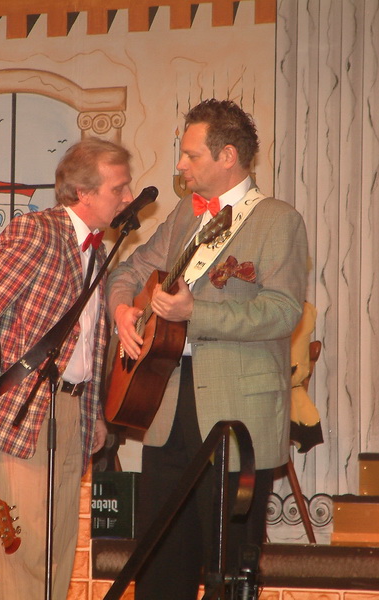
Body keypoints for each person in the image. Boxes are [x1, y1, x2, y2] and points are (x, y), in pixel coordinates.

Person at [106, 99, 308, 599]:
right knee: (160, 566)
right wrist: (122, 309)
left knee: (228, 568)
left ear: (228, 156)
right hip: (168, 406)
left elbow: (283, 312)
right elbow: (129, 270)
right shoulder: (184, 214)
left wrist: (195, 313)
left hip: (238, 415)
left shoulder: (279, 220)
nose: (180, 165)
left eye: (191, 155)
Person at [0, 137, 133, 600]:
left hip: (71, 411)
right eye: (119, 188)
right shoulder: (37, 231)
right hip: (25, 410)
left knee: (58, 550)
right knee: (26, 551)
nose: (128, 198)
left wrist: (93, 415)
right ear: (83, 192)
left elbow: (87, 343)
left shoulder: (98, 249)